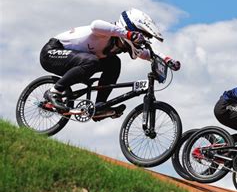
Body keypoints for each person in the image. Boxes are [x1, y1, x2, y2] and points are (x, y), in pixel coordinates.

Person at [40, 8, 168, 120]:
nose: (142, 40)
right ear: (130, 29)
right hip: (51, 53)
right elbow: (95, 25)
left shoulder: (123, 44)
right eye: (142, 35)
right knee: (92, 61)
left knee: (114, 63)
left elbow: (147, 53)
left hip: (77, 61)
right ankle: (54, 92)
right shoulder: (106, 32)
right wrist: (128, 34)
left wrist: (167, 59)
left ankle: (100, 105)